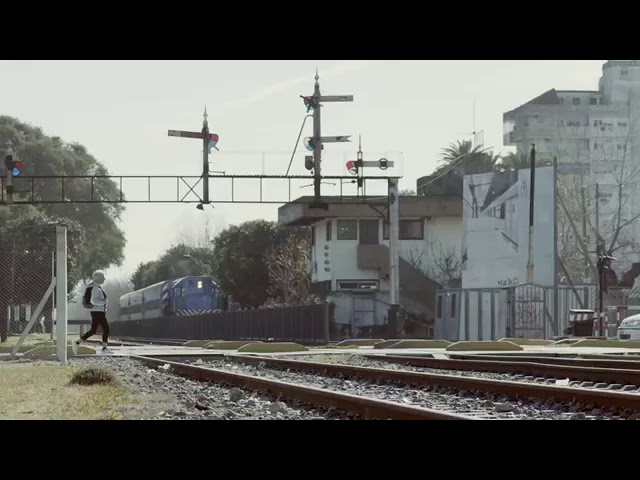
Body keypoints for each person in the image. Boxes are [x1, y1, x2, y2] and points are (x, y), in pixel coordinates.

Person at [72, 270, 110, 354]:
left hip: (97, 311)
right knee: (106, 328)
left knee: (93, 330)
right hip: (98, 311)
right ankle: (104, 349)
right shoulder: (95, 288)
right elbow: (94, 301)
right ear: (98, 278)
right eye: (103, 277)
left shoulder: (95, 287)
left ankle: (77, 342)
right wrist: (104, 301)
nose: (104, 279)